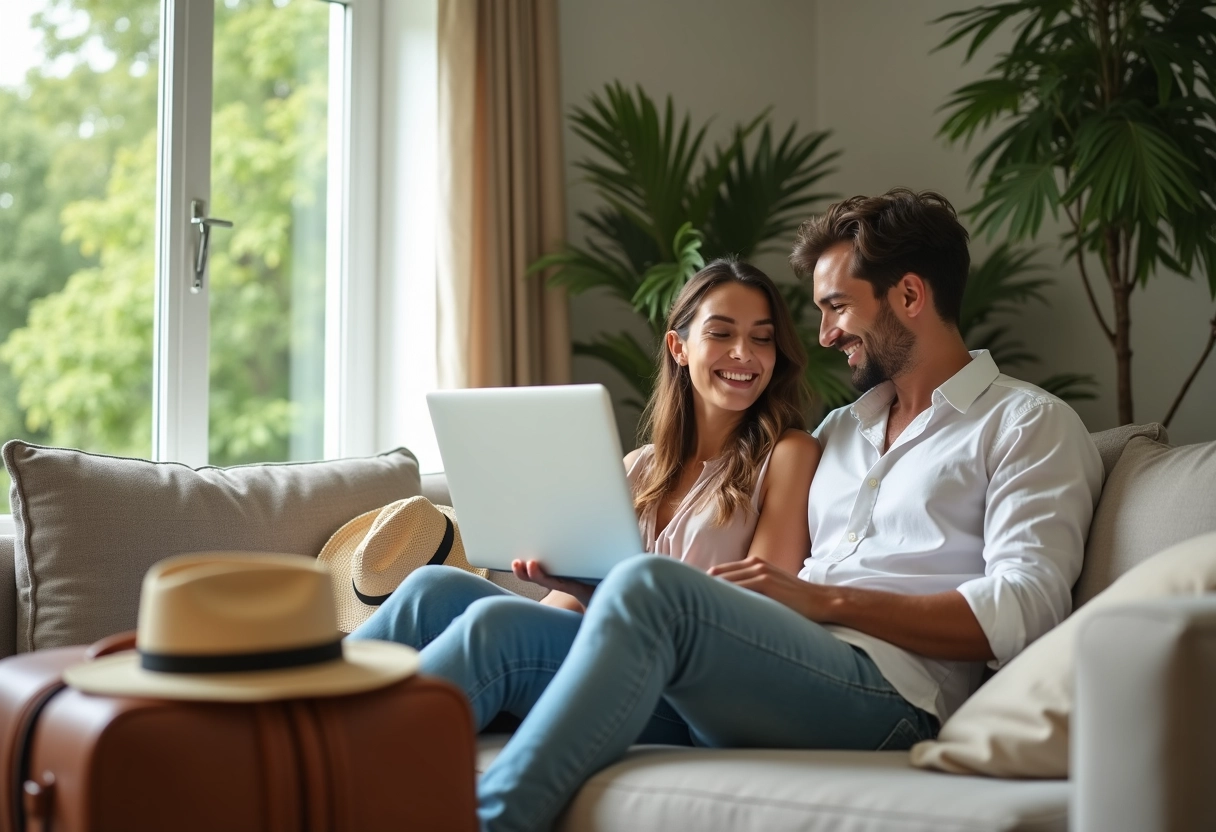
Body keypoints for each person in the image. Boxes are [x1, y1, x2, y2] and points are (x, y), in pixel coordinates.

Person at [366, 189, 1105, 832]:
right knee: (446, 596)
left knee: (647, 583)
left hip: (890, 698)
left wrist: (828, 601)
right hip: (765, 670)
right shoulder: (842, 432)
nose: (825, 334)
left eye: (837, 307)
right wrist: (595, 589)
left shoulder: (1026, 425)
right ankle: (313, 769)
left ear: (909, 296)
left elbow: (1026, 609)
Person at [349, 256, 821, 719]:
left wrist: (600, 602)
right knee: (433, 586)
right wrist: (561, 583)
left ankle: (352, 742)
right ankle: (311, 713)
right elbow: (568, 608)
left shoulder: (788, 454)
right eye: (721, 333)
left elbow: (759, 613)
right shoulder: (639, 467)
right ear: (678, 347)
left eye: (762, 338)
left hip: (682, 685)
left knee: (494, 625)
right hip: (605, 647)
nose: (744, 353)